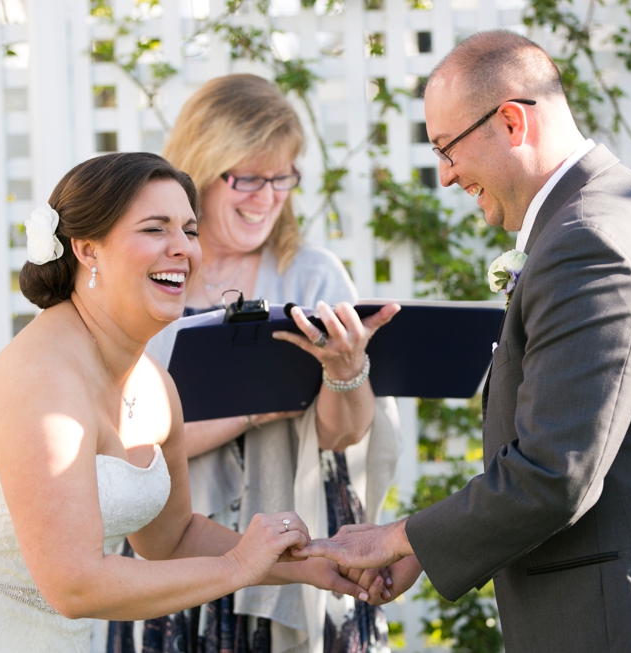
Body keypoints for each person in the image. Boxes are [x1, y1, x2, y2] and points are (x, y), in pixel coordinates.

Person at [296, 30, 631, 652]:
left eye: (447, 148)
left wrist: (402, 537)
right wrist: (432, 548)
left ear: (512, 121)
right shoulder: (618, 204)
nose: (445, 176)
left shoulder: (586, 240)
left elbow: (556, 472)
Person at [0, 153, 366, 653]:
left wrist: (313, 565)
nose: (182, 249)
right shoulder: (42, 382)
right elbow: (74, 584)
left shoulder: (156, 385)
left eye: (189, 230)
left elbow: (172, 536)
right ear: (87, 249)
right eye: (154, 229)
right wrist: (237, 568)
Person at [118, 75, 401, 653]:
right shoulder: (152, 281)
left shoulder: (314, 276)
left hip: (303, 537)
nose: (266, 197)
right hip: (178, 542)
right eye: (246, 177)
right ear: (199, 170)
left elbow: (342, 434)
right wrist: (255, 410)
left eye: (281, 178)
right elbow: (127, 446)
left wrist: (345, 370)